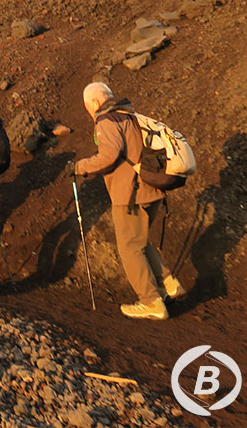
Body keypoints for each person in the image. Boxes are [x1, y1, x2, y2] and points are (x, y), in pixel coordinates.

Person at [69, 82, 186, 320]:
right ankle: (169, 285)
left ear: (94, 102)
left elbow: (109, 156)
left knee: (130, 248)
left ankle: (151, 301)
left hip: (131, 194)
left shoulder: (107, 121)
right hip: (151, 189)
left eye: (86, 107)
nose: (88, 112)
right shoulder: (130, 116)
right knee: (140, 242)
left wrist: (79, 167)